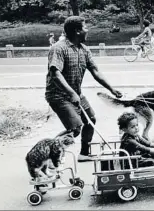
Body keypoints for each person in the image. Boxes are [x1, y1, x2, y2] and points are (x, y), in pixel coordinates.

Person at [45, 16, 123, 162]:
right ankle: (47, 155)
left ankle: (84, 154)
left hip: (76, 94)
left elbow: (95, 71)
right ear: (77, 31)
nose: (87, 30)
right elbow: (55, 74)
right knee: (74, 129)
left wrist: (112, 89)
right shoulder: (59, 48)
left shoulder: (84, 50)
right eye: (85, 27)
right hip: (58, 95)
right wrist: (71, 93)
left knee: (90, 120)